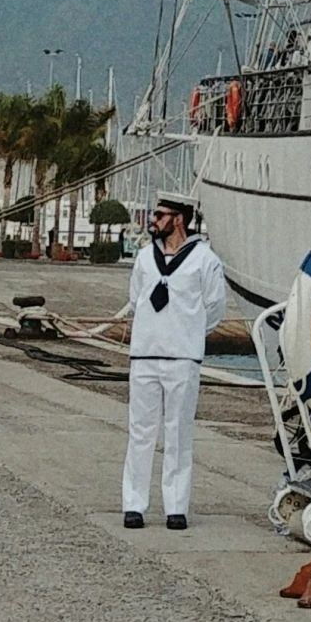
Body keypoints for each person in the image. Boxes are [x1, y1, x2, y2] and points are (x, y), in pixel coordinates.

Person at [112, 195, 226, 528]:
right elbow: (136, 298)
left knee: (179, 432)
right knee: (140, 432)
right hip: (145, 355)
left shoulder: (205, 260)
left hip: (182, 358)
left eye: (160, 215)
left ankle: (176, 506)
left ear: (179, 219)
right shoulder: (146, 258)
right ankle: (134, 504)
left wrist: (187, 333)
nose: (153, 220)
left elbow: (214, 307)